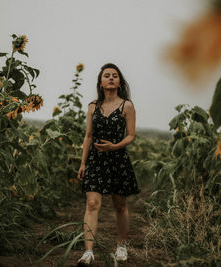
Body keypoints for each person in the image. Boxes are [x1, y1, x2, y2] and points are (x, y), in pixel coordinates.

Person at [76, 63, 140, 265]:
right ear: (101, 82)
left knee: (120, 205)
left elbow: (130, 136)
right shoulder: (93, 106)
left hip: (118, 160)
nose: (111, 78)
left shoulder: (126, 106)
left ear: (119, 81)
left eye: (115, 75)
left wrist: (114, 147)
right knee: (92, 203)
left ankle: (121, 246)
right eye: (107, 75)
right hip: (95, 160)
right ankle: (88, 252)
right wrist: (83, 162)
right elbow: (88, 136)